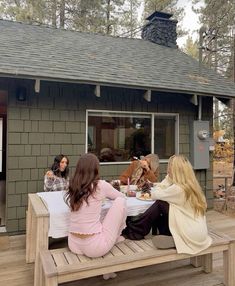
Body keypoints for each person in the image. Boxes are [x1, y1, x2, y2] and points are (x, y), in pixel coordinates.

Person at [122, 155, 212, 255]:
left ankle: (136, 231)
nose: (168, 169)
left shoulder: (178, 189)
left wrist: (167, 179)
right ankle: (169, 237)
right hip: (199, 231)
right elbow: (160, 189)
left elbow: (155, 194)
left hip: (189, 233)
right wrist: (168, 179)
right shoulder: (191, 185)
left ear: (176, 170)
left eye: (170, 166)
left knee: (160, 204)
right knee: (162, 213)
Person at [65, 153, 127, 278]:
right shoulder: (101, 185)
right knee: (121, 202)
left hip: (73, 243)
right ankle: (116, 237)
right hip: (94, 246)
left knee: (99, 217)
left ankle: (108, 266)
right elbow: (121, 197)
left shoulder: (72, 185)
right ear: (95, 168)